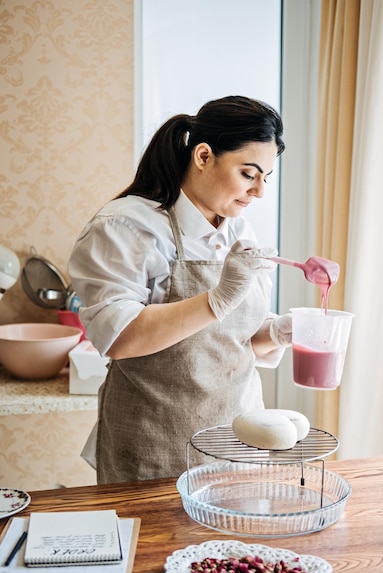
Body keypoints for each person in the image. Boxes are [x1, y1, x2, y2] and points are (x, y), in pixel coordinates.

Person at [68, 95, 293, 484]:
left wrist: (274, 333)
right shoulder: (127, 227)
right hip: (153, 446)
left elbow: (224, 342)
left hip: (235, 442)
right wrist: (217, 299)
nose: (258, 192)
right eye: (248, 173)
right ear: (203, 156)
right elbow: (120, 338)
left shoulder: (239, 230)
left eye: (265, 178)